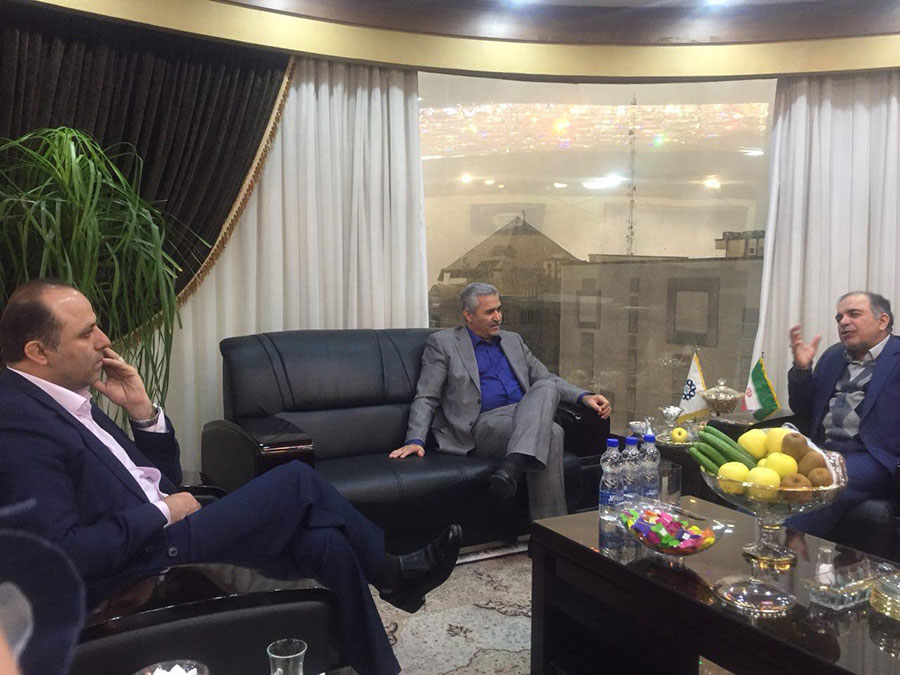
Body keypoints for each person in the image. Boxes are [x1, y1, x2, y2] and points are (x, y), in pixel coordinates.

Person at [0, 279, 462, 675]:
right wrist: (164, 510)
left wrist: (143, 414)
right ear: (38, 351)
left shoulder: (65, 397)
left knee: (327, 542)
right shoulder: (19, 424)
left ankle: (377, 664)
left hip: (168, 524)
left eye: (97, 325)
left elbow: (160, 478)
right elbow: (65, 553)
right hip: (138, 558)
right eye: (86, 333)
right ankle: (393, 573)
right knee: (296, 481)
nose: (104, 340)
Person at [389, 282, 611, 520]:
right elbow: (427, 395)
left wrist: (584, 396)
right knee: (553, 433)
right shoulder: (444, 343)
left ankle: (513, 466)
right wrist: (415, 439)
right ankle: (551, 530)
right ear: (468, 315)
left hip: (524, 414)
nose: (498, 317)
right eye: (489, 312)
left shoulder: (513, 340)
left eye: (499, 309)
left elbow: (545, 377)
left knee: (546, 387)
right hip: (482, 425)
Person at [786, 291, 899, 538]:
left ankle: (788, 547)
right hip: (821, 450)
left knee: (824, 485)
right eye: (839, 317)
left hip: (872, 457)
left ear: (882, 321)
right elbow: (803, 409)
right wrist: (802, 369)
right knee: (771, 477)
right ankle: (750, 537)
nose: (843, 322)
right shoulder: (833, 356)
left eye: (854, 314)